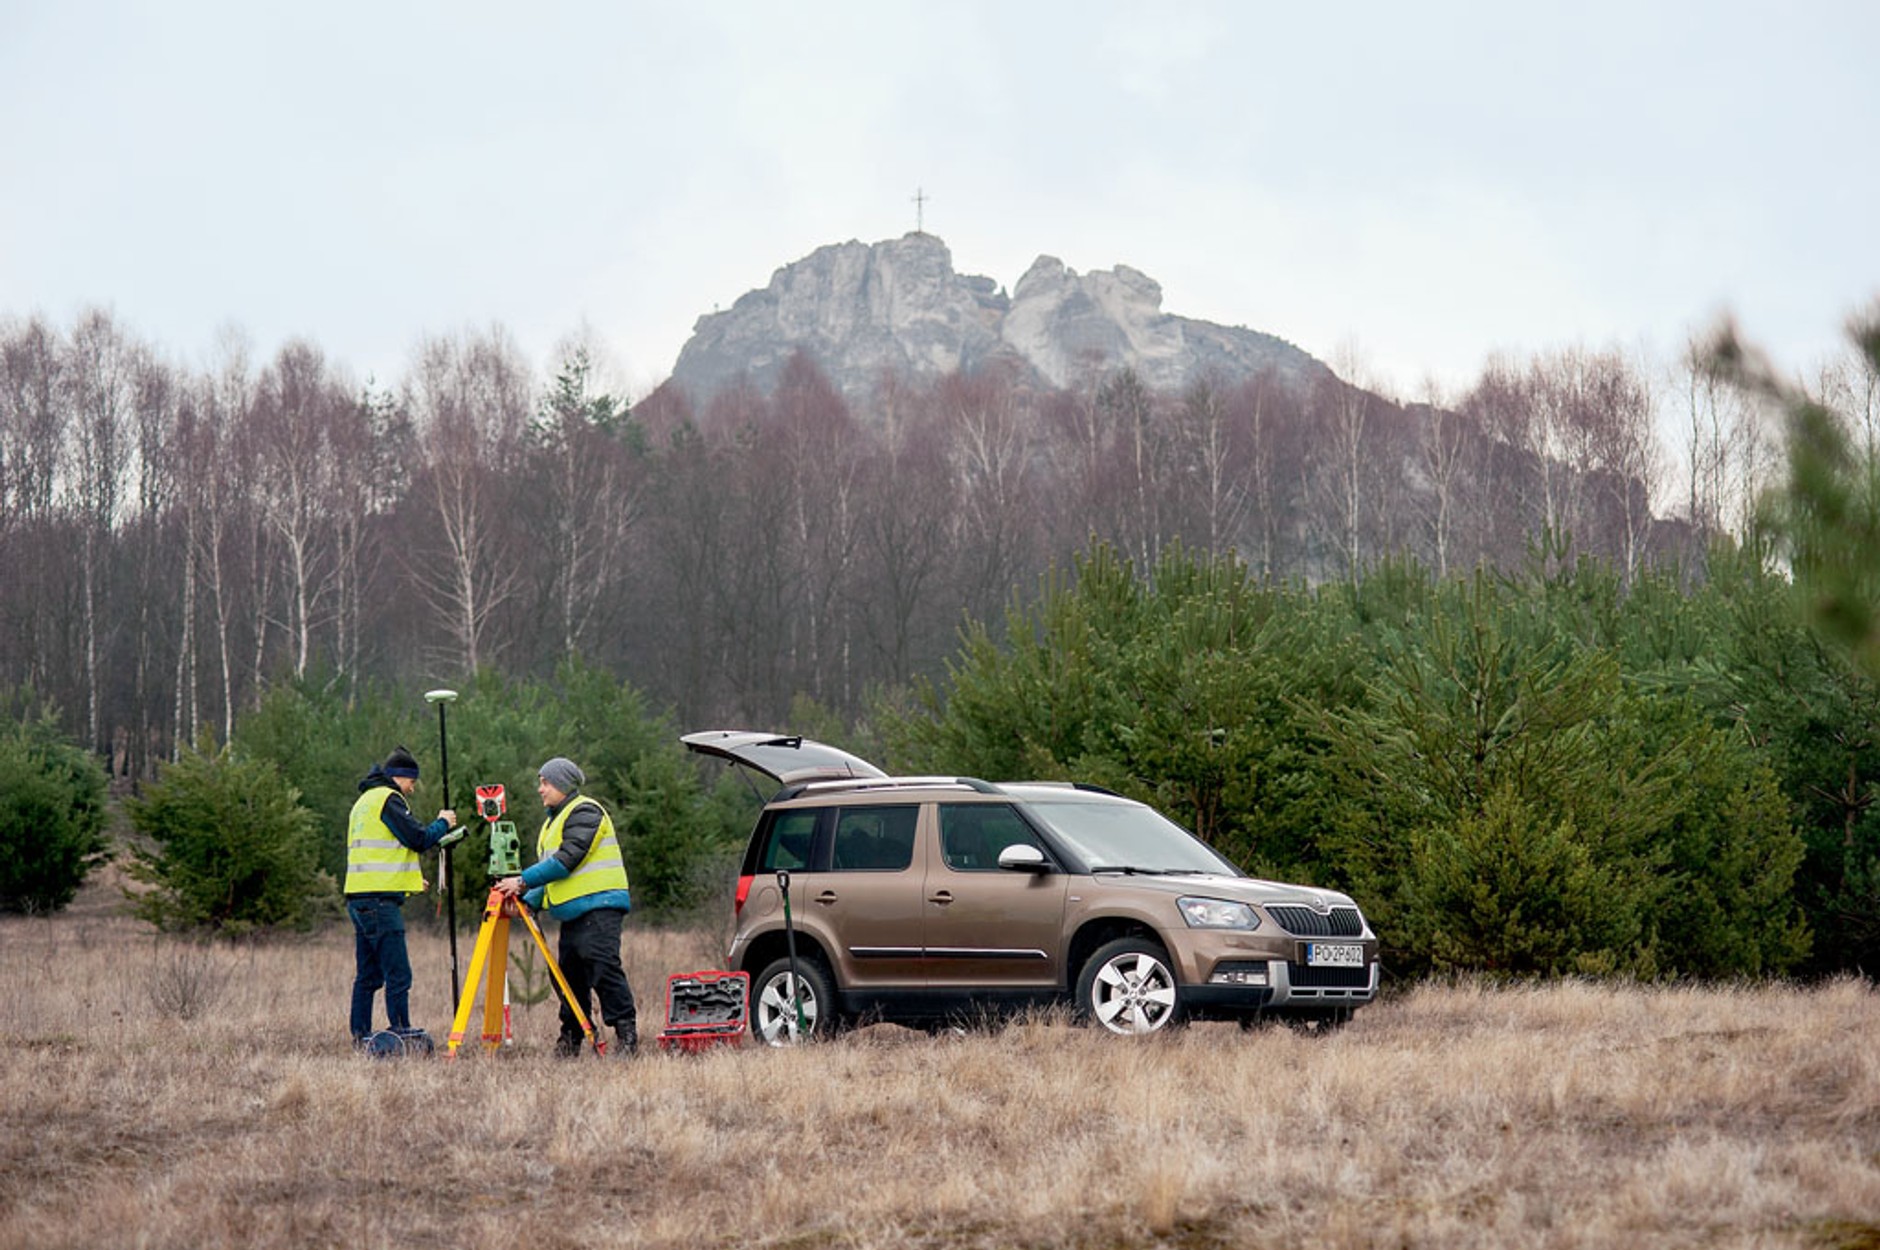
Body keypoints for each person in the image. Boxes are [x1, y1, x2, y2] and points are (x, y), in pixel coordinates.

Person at [494, 757, 638, 1056]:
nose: (540, 789)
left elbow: (566, 861)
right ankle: (572, 1036)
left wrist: (520, 882)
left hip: (601, 904)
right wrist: (527, 899)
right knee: (569, 975)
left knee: (602, 966)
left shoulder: (586, 811)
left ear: (562, 784)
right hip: (573, 911)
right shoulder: (553, 822)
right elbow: (553, 880)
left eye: (545, 782)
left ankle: (626, 1035)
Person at [344, 745, 462, 1046]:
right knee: (398, 973)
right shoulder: (389, 798)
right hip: (379, 902)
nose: (413, 788)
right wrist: (443, 823)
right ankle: (401, 1033)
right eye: (412, 781)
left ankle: (361, 1037)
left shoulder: (364, 801)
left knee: (368, 975)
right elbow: (418, 839)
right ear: (399, 777)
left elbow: (381, 853)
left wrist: (409, 880)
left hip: (360, 897)